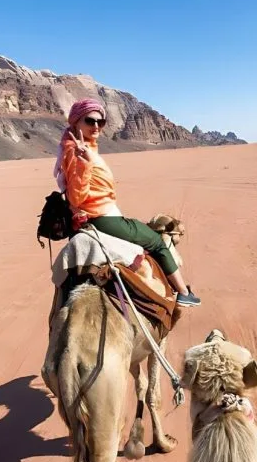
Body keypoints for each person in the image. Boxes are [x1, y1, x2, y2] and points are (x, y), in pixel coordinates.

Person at [53, 98, 202, 307]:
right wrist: (86, 164)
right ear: (76, 121)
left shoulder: (82, 148)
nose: (96, 126)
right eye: (89, 120)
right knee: (157, 242)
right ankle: (184, 293)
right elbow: (77, 196)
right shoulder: (77, 153)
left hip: (98, 214)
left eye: (100, 122)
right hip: (102, 218)